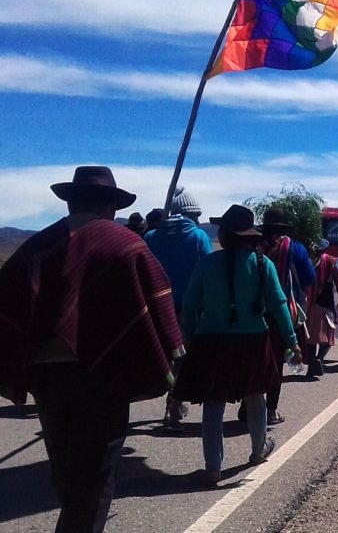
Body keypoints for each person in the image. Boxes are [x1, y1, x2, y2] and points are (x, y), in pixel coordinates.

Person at [0, 166, 183, 533]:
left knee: (65, 465)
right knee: (96, 475)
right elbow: (156, 306)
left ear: (71, 202)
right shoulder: (126, 245)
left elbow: (7, 305)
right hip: (105, 376)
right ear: (110, 206)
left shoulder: (38, 245)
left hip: (46, 375)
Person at [173, 204, 300, 486]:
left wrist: (191, 336)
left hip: (211, 340)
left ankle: (213, 466)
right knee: (256, 396)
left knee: (213, 402)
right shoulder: (263, 264)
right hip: (253, 340)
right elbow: (279, 305)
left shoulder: (207, 263)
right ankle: (258, 450)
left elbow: (190, 304)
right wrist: (292, 341)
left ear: (225, 234)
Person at [145, 185, 213, 428]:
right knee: (182, 357)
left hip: (157, 307)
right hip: (188, 308)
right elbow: (207, 273)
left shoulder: (151, 237)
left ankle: (171, 399)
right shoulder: (199, 237)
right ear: (190, 214)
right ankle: (174, 404)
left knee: (164, 356)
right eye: (197, 215)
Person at [251, 207, 314, 424]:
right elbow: (309, 278)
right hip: (282, 311)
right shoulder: (294, 248)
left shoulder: (253, 247)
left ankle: (248, 407)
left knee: (254, 359)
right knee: (276, 361)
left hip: (253, 310)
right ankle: (270, 409)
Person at [303, 241, 338, 377]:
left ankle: (311, 367)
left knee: (310, 338)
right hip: (325, 303)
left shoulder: (307, 262)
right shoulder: (330, 261)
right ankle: (319, 358)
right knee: (328, 336)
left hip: (309, 303)